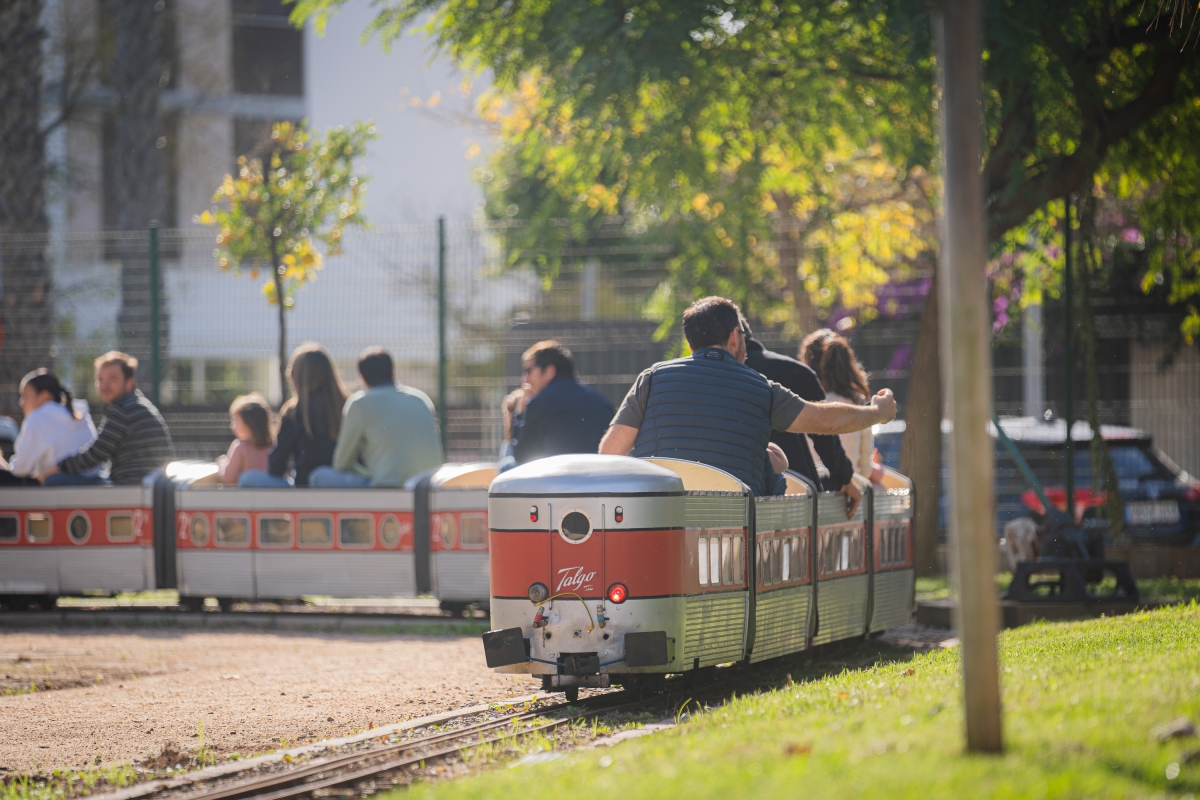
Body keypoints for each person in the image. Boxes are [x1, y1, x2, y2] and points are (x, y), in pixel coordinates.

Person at [598, 297, 896, 496]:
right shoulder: (761, 388)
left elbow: (610, 454)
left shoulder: (650, 379)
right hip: (733, 534)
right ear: (733, 338)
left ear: (691, 346)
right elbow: (823, 421)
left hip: (662, 522)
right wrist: (877, 412)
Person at [744, 327, 863, 515]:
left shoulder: (712, 377)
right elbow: (825, 437)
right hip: (798, 489)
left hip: (738, 490)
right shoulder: (796, 373)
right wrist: (846, 478)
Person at [309, 348, 443, 488]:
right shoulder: (421, 399)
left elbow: (341, 464)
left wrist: (369, 474)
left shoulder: (359, 404)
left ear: (362, 378)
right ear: (393, 371)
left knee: (318, 476)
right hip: (428, 488)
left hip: (387, 489)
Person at [41, 352, 174, 486]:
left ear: (129, 383)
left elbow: (95, 455)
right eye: (100, 380)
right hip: (148, 483)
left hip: (133, 486)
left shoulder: (124, 409)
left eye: (112, 379)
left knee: (54, 481)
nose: (104, 386)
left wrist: (58, 467)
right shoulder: (135, 404)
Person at [240, 343, 346, 488]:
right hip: (341, 486)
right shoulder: (346, 407)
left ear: (295, 377)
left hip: (304, 488)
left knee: (247, 479)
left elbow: (276, 467)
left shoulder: (294, 412)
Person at [511, 341, 614, 465]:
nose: (525, 378)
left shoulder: (541, 402)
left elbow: (521, 456)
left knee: (507, 465)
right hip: (601, 476)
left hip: (560, 479)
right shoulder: (599, 399)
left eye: (529, 370)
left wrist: (520, 412)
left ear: (549, 371)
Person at [0, 370, 98, 486]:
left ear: (44, 397)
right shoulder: (81, 414)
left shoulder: (38, 417)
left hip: (62, 486)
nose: (21, 403)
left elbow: (20, 469)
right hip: (94, 481)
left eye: (25, 397)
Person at [802, 329, 876, 479]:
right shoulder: (859, 406)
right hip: (851, 491)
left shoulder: (802, 406)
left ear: (807, 364)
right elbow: (865, 471)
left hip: (812, 491)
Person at [217, 394, 273, 486]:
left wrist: (222, 465)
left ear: (249, 423)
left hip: (248, 498)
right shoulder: (272, 446)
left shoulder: (240, 447)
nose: (233, 426)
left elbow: (228, 478)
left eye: (235, 420)